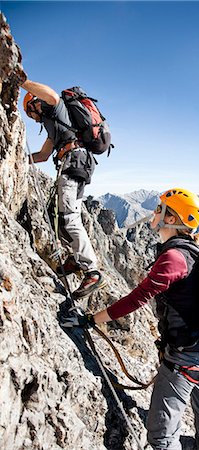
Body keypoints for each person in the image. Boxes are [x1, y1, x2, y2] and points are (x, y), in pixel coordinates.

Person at [62, 187, 199, 450]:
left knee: (161, 437)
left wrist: (91, 320)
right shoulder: (192, 250)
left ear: (171, 219)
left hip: (184, 356)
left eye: (160, 209)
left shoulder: (173, 257)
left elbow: (136, 299)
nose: (154, 212)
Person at [21, 79, 106, 298]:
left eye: (31, 112)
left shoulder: (54, 108)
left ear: (34, 103)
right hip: (74, 162)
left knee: (68, 216)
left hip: (74, 161)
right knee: (55, 214)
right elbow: (42, 156)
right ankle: (75, 259)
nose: (33, 118)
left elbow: (50, 94)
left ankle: (92, 271)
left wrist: (22, 82)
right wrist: (19, 158)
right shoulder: (53, 129)